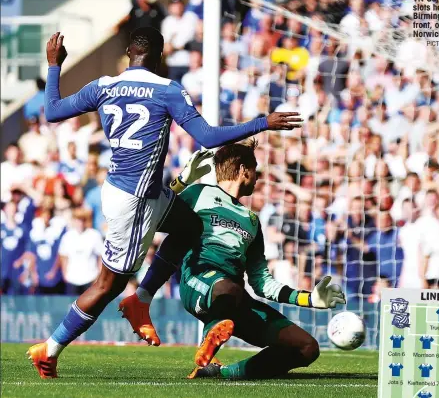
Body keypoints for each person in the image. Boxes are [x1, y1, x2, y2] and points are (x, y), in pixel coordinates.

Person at [27, 28, 301, 379]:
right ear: (159, 57)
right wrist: (263, 123)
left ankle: (141, 300)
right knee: (107, 285)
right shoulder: (167, 90)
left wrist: (54, 66)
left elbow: (51, 111)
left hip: (134, 189)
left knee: (192, 224)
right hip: (137, 200)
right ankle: (50, 350)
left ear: (128, 51)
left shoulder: (103, 86)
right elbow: (206, 137)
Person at [122, 140, 346, 379]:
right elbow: (153, 211)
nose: (257, 177)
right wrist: (182, 181)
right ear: (243, 170)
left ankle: (222, 372)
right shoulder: (199, 194)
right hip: (199, 281)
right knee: (227, 288)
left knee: (307, 347)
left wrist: (309, 298)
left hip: (235, 298)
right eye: (255, 170)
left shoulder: (251, 220)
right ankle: (209, 340)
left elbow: (262, 282)